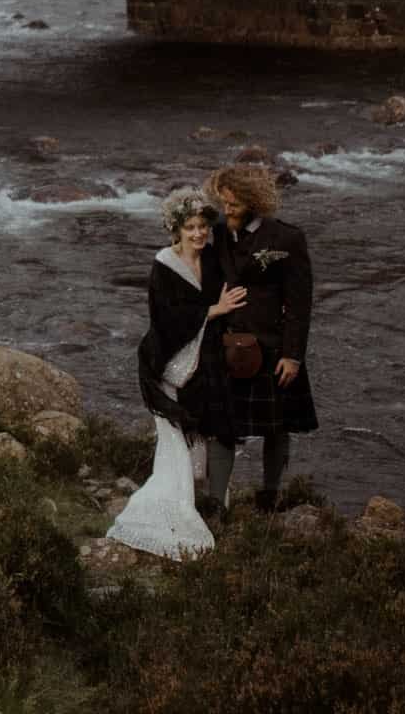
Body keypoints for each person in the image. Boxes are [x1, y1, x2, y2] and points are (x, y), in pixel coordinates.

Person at [106, 187, 244, 559]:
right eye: (191, 228)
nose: (198, 234)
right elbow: (164, 319)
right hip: (168, 364)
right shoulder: (163, 266)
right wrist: (211, 312)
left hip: (207, 360)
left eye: (203, 226)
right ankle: (177, 508)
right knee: (179, 444)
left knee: (218, 427)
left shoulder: (213, 258)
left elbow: (238, 275)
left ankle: (215, 506)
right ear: (176, 229)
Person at [203, 163, 318, 513]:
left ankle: (270, 496)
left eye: (233, 204)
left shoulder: (286, 239)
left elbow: (299, 304)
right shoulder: (218, 231)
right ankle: (216, 504)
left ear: (253, 200)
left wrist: (293, 356)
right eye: (224, 202)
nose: (227, 210)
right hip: (225, 345)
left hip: (270, 349)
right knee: (220, 426)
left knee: (276, 427)